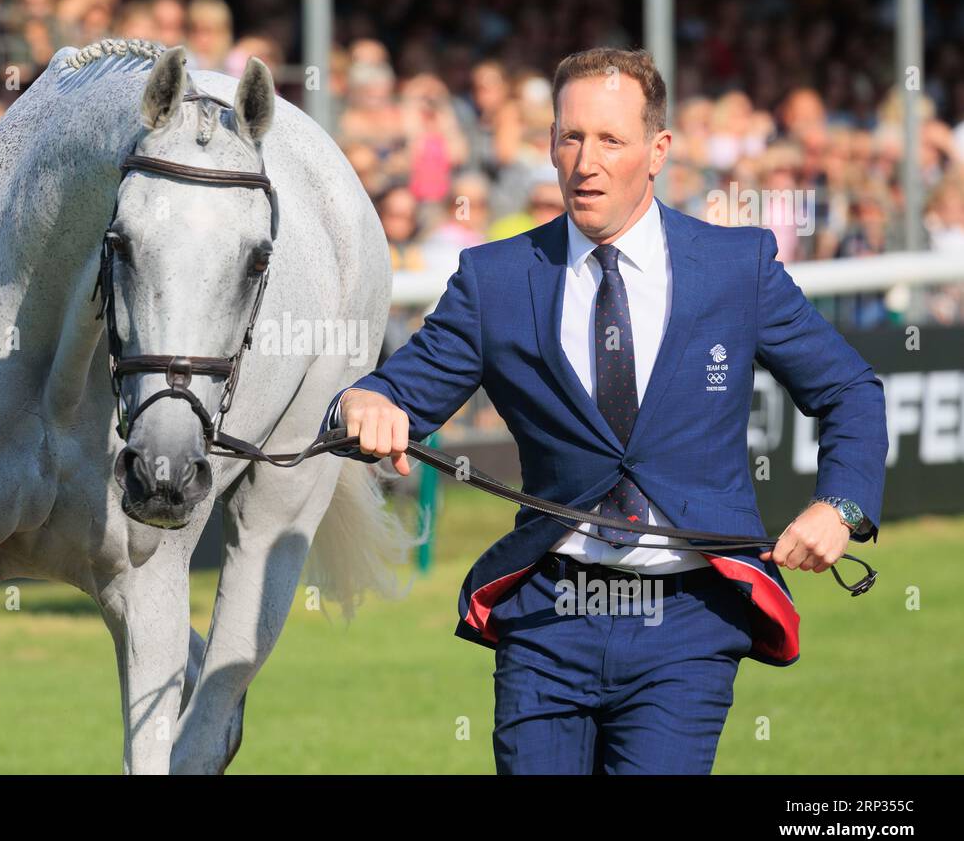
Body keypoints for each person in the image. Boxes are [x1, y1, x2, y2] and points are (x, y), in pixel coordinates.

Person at [320, 47, 888, 774]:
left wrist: (839, 506)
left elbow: (849, 391)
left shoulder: (735, 265)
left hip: (690, 623)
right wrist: (363, 401)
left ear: (657, 152)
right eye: (570, 137)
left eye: (611, 140)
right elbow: (395, 393)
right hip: (548, 620)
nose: (585, 161)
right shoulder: (493, 279)